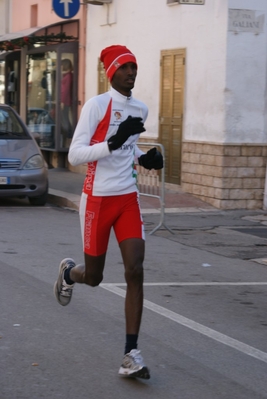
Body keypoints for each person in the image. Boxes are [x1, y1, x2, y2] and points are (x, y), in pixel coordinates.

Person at [54, 45, 163, 379]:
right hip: (97, 200)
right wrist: (115, 142)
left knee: (136, 269)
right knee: (95, 277)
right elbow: (76, 155)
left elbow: (129, 149)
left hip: (127, 198)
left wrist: (145, 157)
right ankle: (70, 273)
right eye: (126, 67)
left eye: (135, 67)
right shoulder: (97, 106)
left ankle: (131, 353)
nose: (132, 72)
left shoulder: (140, 108)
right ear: (111, 71)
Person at [60, 58, 73, 146]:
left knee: (65, 120)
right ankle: (68, 136)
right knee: (65, 119)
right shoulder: (67, 75)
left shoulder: (68, 76)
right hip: (65, 100)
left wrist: (62, 101)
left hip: (65, 101)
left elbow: (66, 90)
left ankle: (69, 136)